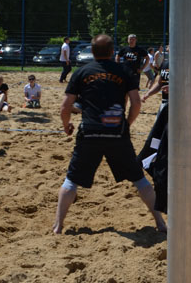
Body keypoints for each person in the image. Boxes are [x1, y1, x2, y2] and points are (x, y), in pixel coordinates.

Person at [53, 34, 166, 234]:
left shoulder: (81, 72)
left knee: (71, 180)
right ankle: (160, 223)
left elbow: (65, 106)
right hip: (117, 132)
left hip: (89, 132)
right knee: (139, 179)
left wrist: (66, 125)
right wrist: (127, 124)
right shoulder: (124, 71)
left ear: (92, 51)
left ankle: (58, 226)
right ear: (113, 51)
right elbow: (136, 103)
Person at [142, 45, 170, 113]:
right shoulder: (165, 64)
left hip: (179, 103)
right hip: (165, 102)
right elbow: (160, 83)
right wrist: (148, 94)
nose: (167, 47)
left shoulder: (182, 65)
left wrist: (172, 88)